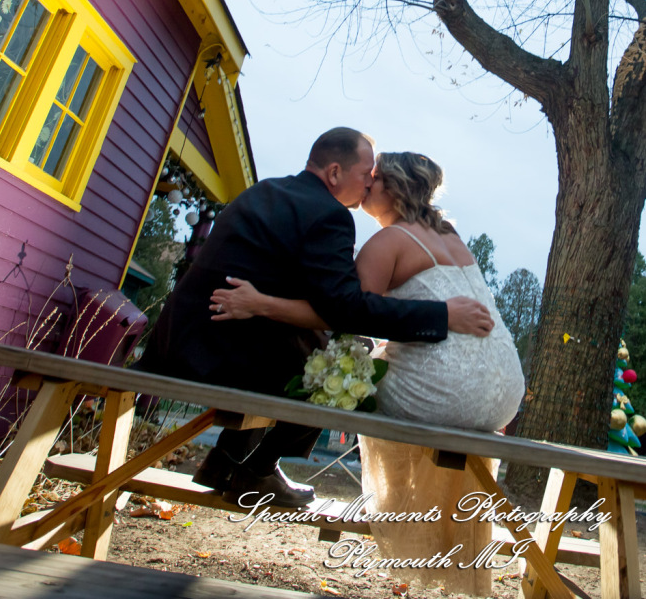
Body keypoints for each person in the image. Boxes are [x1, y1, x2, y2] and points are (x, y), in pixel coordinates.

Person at [210, 151, 524, 591]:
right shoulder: (449, 233)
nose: (366, 186)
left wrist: (260, 304)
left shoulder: (388, 241)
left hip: (446, 391)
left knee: (339, 367)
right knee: (353, 359)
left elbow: (344, 315)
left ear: (392, 187)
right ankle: (238, 458)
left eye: (374, 179)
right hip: (503, 392)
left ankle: (254, 462)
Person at [137, 130, 494, 508]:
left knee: (314, 345)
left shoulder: (267, 191)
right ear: (336, 172)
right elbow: (346, 309)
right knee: (340, 368)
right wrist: (443, 314)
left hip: (177, 343)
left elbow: (317, 299)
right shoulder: (329, 216)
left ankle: (227, 463)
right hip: (219, 357)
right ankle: (256, 469)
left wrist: (268, 305)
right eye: (366, 173)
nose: (371, 181)